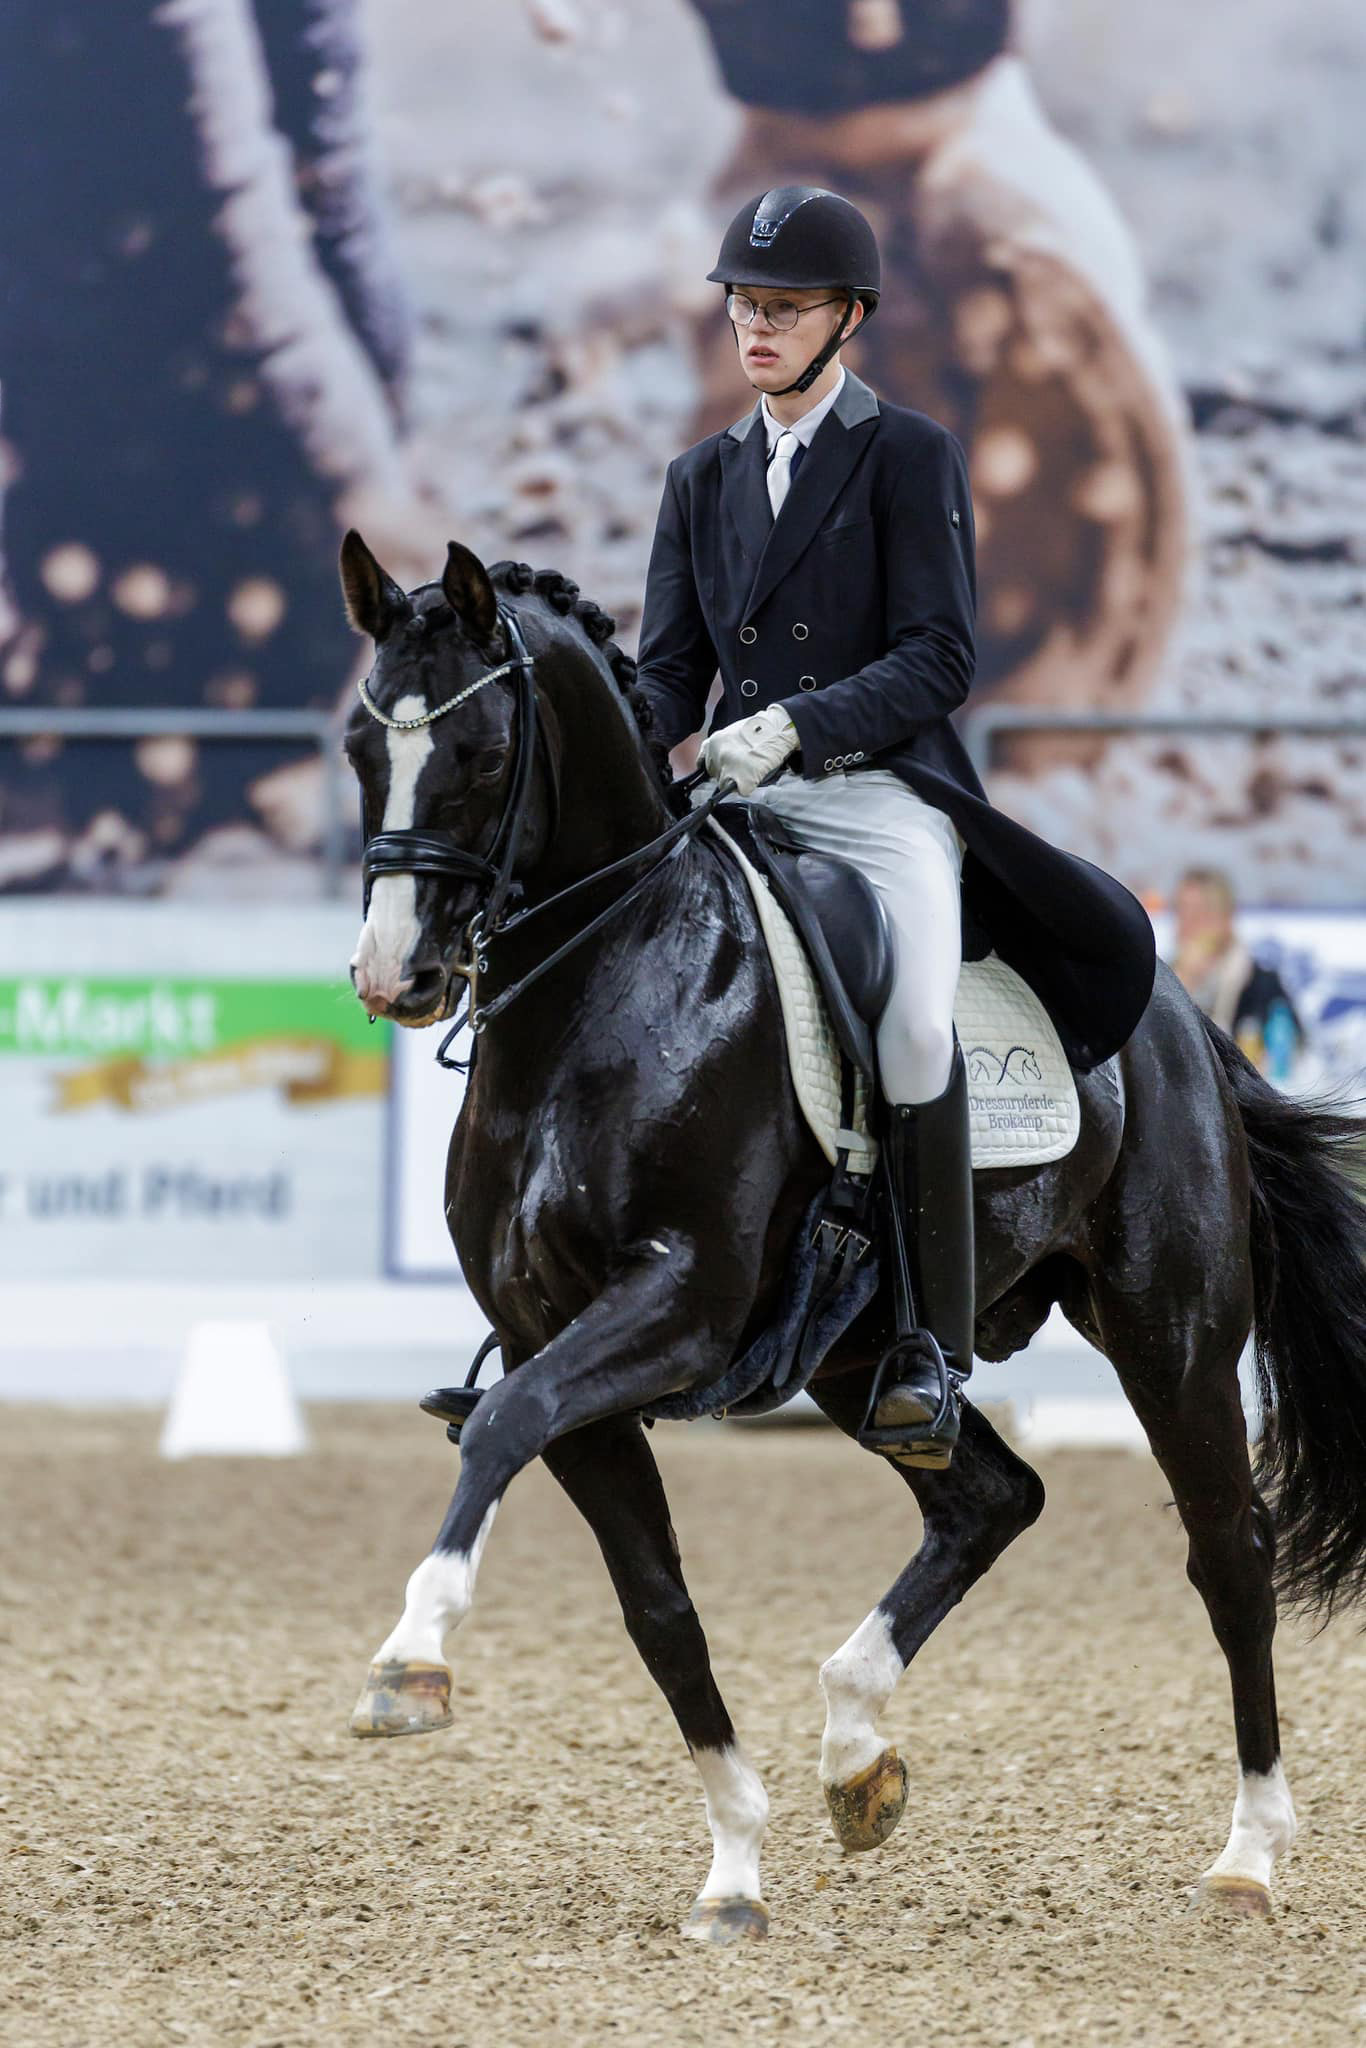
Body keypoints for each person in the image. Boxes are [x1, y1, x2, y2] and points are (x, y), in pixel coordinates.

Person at [634, 184, 1157, 1467]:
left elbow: (939, 654)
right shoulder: (699, 476)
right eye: (744, 305)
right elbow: (666, 672)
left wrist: (801, 724)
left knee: (917, 1022)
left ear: (846, 318)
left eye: (784, 307)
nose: (755, 327)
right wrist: (617, 736)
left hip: (880, 796)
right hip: (747, 805)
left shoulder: (907, 452)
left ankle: (924, 1341)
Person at [1171, 867, 1303, 1077]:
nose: (1189, 922)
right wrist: (1182, 985)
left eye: (1201, 911)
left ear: (1226, 917)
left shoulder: (1261, 984)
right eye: (1182, 910)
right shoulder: (1160, 984)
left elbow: (1289, 1062)